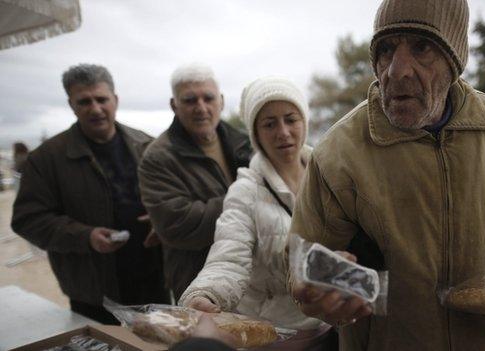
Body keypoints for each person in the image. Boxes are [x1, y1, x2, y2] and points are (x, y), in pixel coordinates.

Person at [289, 1, 485, 350]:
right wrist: (317, 292)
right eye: (387, 49)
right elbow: (306, 261)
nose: (397, 70)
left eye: (421, 47)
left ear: (454, 62)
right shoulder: (339, 152)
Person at [178, 77, 334, 350]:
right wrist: (206, 294)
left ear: (304, 122)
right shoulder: (245, 191)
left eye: (290, 119)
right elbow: (229, 257)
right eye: (270, 124)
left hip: (330, 326)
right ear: (256, 134)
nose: (283, 132)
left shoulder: (330, 177)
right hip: (274, 335)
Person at [11, 64, 167, 324]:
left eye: (101, 99)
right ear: (71, 105)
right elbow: (27, 219)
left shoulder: (147, 145)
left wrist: (162, 221)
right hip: (93, 293)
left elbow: (170, 198)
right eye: (84, 101)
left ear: (115, 100)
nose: (95, 109)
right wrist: (85, 236)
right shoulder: (46, 159)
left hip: (154, 283)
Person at [138, 63, 252, 300]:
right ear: (174, 105)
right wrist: (251, 198)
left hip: (252, 275)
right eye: (190, 100)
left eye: (208, 98)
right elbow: (178, 225)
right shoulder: (158, 157)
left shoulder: (246, 143)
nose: (201, 107)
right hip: (197, 283)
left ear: (220, 100)